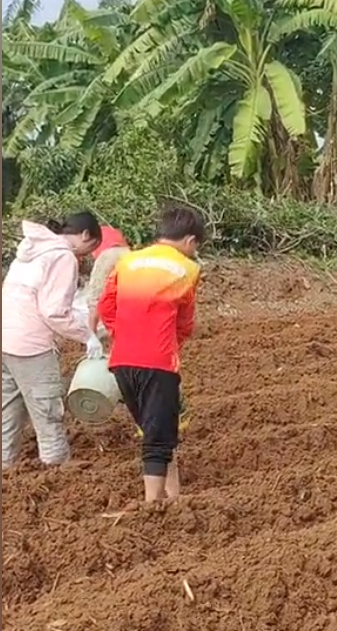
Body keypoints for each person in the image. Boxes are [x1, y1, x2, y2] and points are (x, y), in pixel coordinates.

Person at [96, 203, 204, 504]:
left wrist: (127, 333)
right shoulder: (188, 269)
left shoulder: (127, 262)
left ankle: (173, 496)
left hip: (121, 361)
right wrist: (167, 342)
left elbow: (105, 307)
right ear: (190, 241)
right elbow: (185, 324)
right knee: (157, 437)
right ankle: (152, 506)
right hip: (158, 361)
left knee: (156, 428)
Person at [2, 212, 104, 468]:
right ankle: (56, 471)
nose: (83, 255)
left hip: (6, 338)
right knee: (47, 411)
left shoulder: (30, 250)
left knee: (8, 410)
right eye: (89, 248)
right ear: (84, 235)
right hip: (31, 345)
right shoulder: (62, 256)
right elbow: (54, 311)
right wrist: (88, 336)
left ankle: (5, 467)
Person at [86, 222, 131, 331]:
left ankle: (92, 335)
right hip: (128, 254)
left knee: (95, 298)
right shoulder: (114, 231)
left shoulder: (92, 233)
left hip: (109, 254)